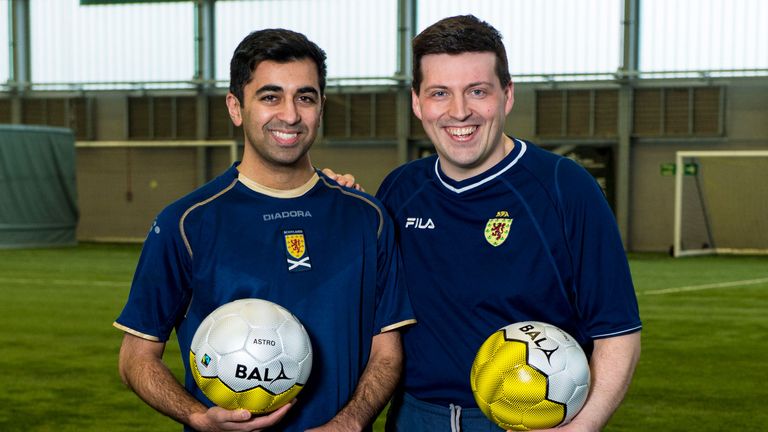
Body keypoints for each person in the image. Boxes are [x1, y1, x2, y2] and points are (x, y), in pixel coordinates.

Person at [113, 28, 415, 432]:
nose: (290, 115)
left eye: (304, 97)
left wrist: (350, 422)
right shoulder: (185, 223)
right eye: (270, 96)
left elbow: (387, 352)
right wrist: (197, 417)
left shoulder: (368, 218)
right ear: (236, 107)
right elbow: (136, 357)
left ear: (320, 107)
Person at [373, 15, 642, 431]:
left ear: (507, 95)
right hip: (413, 417)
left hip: (528, 420)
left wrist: (583, 427)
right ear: (417, 102)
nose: (459, 111)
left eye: (477, 91)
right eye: (439, 93)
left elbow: (617, 331)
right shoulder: (398, 191)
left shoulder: (565, 188)